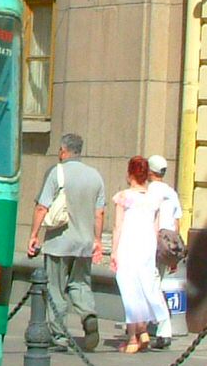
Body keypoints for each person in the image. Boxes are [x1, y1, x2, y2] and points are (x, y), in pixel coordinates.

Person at [27, 133, 105, 352]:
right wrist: (97, 240)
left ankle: (60, 337)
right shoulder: (95, 176)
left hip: (59, 242)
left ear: (63, 150)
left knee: (56, 289)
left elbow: (42, 206)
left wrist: (34, 234)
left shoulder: (57, 172)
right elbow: (99, 213)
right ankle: (88, 314)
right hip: (84, 243)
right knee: (81, 284)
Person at [110, 156, 171, 353]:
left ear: (130, 175)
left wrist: (113, 251)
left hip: (129, 246)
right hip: (147, 247)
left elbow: (118, 227)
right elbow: (155, 227)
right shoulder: (154, 199)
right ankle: (143, 331)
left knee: (130, 290)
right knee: (144, 288)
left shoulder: (124, 196)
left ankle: (132, 339)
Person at [145, 154, 181, 349]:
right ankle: (150, 325)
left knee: (151, 285)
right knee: (156, 283)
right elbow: (177, 222)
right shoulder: (171, 192)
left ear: (150, 171)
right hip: (168, 244)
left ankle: (163, 327)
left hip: (151, 242)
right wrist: (174, 254)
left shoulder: (148, 191)